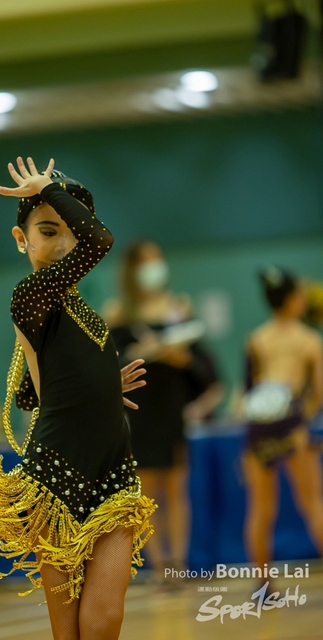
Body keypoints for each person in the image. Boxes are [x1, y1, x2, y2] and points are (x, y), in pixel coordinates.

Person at [0, 157, 157, 640]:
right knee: (70, 630)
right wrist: (48, 188)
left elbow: (30, 393)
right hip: (56, 475)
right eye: (47, 231)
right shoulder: (30, 294)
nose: (65, 242)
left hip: (114, 473)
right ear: (21, 240)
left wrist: (101, 385)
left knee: (103, 620)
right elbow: (101, 241)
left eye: (70, 231)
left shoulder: (81, 309)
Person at [103, 240, 223, 585]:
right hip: (139, 408)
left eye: (157, 259)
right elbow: (110, 363)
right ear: (131, 269)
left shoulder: (179, 306)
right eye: (146, 261)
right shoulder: (118, 312)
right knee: (147, 491)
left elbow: (201, 363)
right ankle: (159, 567)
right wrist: (141, 351)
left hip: (172, 406)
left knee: (176, 486)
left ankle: (178, 564)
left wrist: (179, 357)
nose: (153, 267)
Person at [243, 266, 323, 582]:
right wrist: (306, 422)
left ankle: (263, 584)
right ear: (293, 300)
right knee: (312, 502)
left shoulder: (256, 338)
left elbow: (249, 389)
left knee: (261, 509)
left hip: (259, 423)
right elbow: (319, 393)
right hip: (290, 418)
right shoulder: (309, 340)